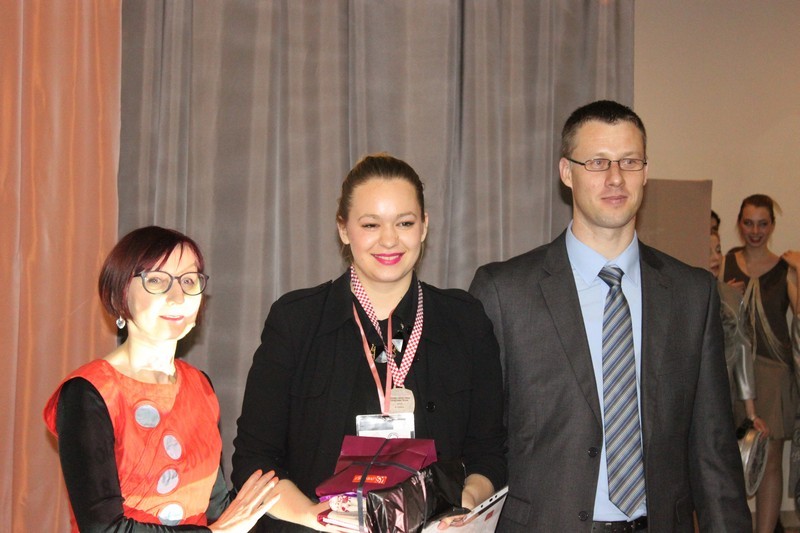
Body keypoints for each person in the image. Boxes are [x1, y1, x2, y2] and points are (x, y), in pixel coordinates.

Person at [469, 100, 750, 531]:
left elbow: (714, 449)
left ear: (645, 172)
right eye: (598, 162)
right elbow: (480, 440)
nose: (616, 177)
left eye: (630, 161)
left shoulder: (692, 294)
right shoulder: (505, 292)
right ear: (567, 172)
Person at [232, 153, 507, 532]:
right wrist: (316, 516)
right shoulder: (296, 321)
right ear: (344, 229)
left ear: (424, 226)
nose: (389, 239)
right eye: (371, 224)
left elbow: (489, 452)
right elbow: (254, 461)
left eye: (405, 223)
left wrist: (465, 504)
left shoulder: (465, 321)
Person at [43, 226, 280, 532]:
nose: (177, 297)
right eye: (156, 280)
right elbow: (104, 529)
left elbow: (218, 510)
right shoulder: (88, 393)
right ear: (119, 292)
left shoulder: (199, 386)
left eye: (189, 280)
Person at [721, 194, 799, 533]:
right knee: (728, 457)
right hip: (732, 372)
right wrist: (723, 292)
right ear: (739, 224)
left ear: (772, 226)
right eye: (749, 223)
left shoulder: (785, 268)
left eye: (762, 224)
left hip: (773, 373)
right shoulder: (725, 262)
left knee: (769, 462)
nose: (755, 231)